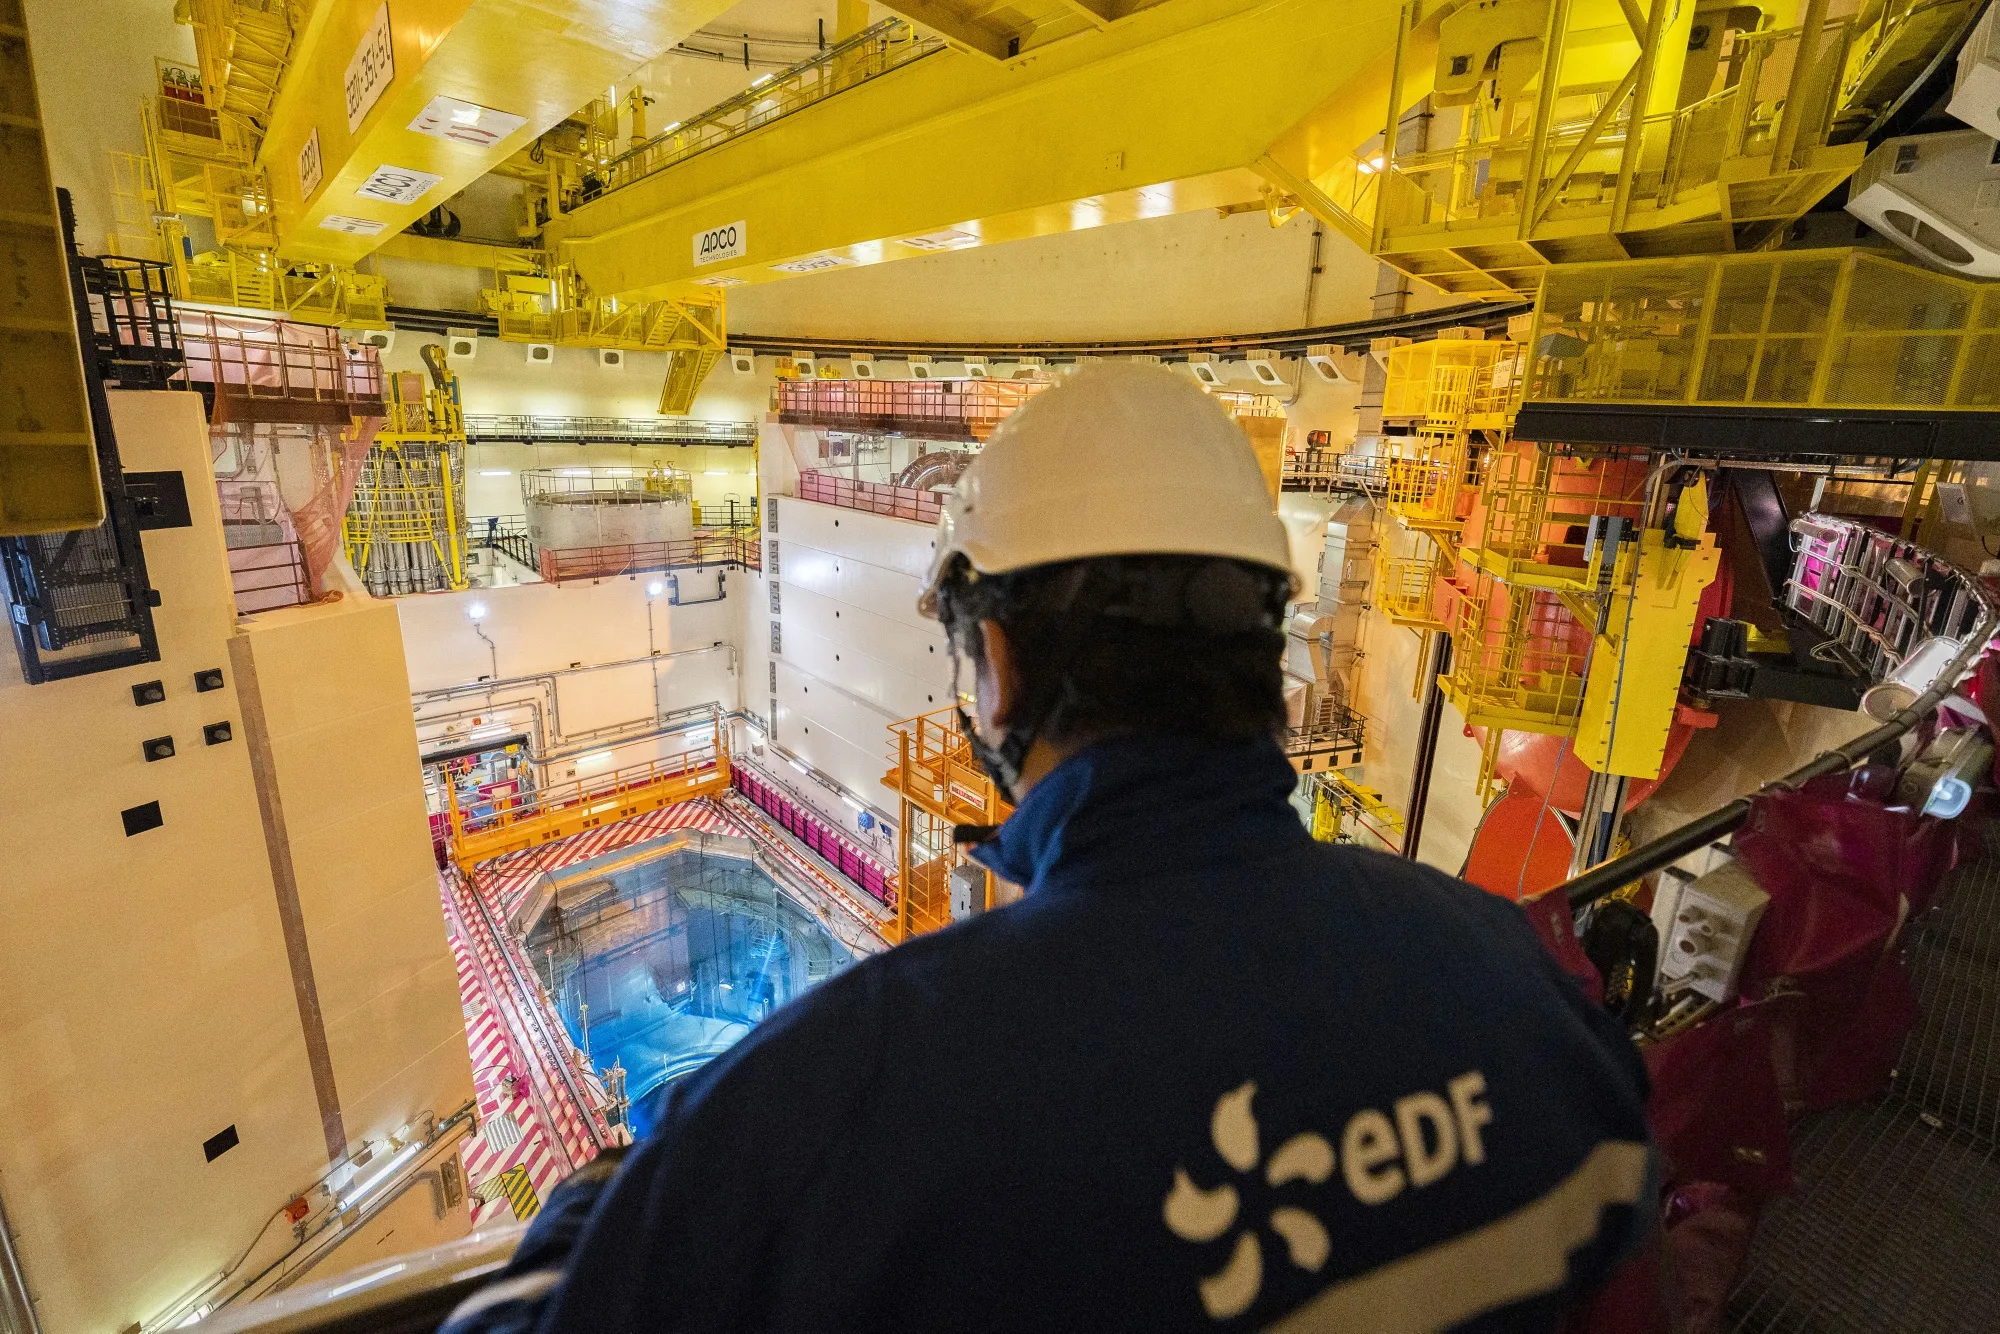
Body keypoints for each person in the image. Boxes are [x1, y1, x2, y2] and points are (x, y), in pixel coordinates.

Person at [442, 364, 1656, 1334]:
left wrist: (604, 1196)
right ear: (1263, 653)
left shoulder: (839, 1099)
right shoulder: (1514, 981)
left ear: (1000, 665)